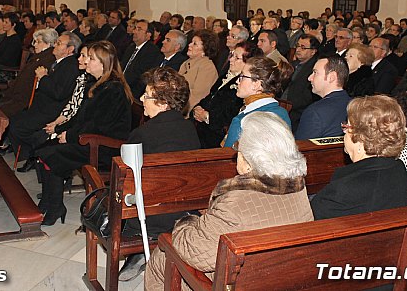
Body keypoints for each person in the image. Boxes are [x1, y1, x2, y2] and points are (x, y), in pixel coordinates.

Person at [145, 112, 314, 290]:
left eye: (238, 147)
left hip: (238, 281)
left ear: (250, 161)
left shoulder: (237, 203)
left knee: (163, 255)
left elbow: (195, 251)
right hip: (280, 275)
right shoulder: (299, 189)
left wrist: (187, 223)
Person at [36, 41, 133, 226]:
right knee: (44, 148)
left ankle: (55, 207)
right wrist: (61, 131)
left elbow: (99, 126)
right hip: (88, 138)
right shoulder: (97, 83)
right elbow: (82, 118)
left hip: (104, 146)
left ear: (103, 64)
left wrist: (70, 136)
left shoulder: (113, 89)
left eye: (91, 58)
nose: (86, 62)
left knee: (52, 153)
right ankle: (48, 201)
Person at [118, 67, 201, 281]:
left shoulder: (142, 134)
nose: (141, 98)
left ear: (163, 103)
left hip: (150, 216)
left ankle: (137, 253)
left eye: (147, 96)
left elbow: (126, 180)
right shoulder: (190, 129)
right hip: (183, 211)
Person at [310, 95, 407, 220]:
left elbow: (308, 220)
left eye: (346, 127)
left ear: (361, 139)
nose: (343, 133)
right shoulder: (399, 170)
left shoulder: (344, 190)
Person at [8, 31, 82, 171]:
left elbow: (59, 93)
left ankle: (35, 154)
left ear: (70, 49)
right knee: (13, 120)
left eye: (59, 43)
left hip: (53, 110)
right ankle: (32, 154)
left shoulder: (70, 66)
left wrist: (43, 78)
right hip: (42, 106)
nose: (55, 44)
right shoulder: (58, 62)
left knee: (18, 127)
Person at [192, 42, 259, 148]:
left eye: (236, 58)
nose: (230, 60)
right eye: (232, 55)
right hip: (202, 126)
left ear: (248, 64)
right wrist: (198, 107)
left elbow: (231, 114)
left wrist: (207, 117)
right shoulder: (226, 75)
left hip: (216, 133)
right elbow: (211, 96)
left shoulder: (244, 86)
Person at [223, 57, 292, 148]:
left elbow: (227, 158)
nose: (237, 81)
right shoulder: (283, 113)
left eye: (242, 77)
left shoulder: (242, 121)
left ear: (256, 85)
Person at [0, 28, 58, 117]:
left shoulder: (48, 59)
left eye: (38, 42)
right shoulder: (39, 56)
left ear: (48, 44)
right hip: (16, 95)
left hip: (24, 100)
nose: (35, 45)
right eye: (35, 41)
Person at [295, 55, 351, 140]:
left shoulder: (315, 112)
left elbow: (299, 149)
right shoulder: (355, 106)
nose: (309, 78)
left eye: (315, 73)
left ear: (331, 77)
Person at [282, 36, 320, 131]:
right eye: (297, 46)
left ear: (313, 51)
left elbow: (308, 97)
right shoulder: (294, 64)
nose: (298, 50)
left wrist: (288, 106)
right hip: (283, 106)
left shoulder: (314, 68)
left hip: (298, 113)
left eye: (303, 47)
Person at [120, 19, 163, 100]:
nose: (134, 32)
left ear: (148, 34)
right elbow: (122, 67)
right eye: (135, 28)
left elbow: (143, 78)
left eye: (139, 29)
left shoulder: (152, 51)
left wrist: (129, 94)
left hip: (131, 92)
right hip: (120, 86)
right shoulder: (131, 47)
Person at [179, 29, 219, 111]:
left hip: (188, 113)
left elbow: (198, 96)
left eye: (194, 44)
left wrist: (177, 109)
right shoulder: (186, 63)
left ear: (204, 50)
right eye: (191, 42)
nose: (189, 45)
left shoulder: (207, 67)